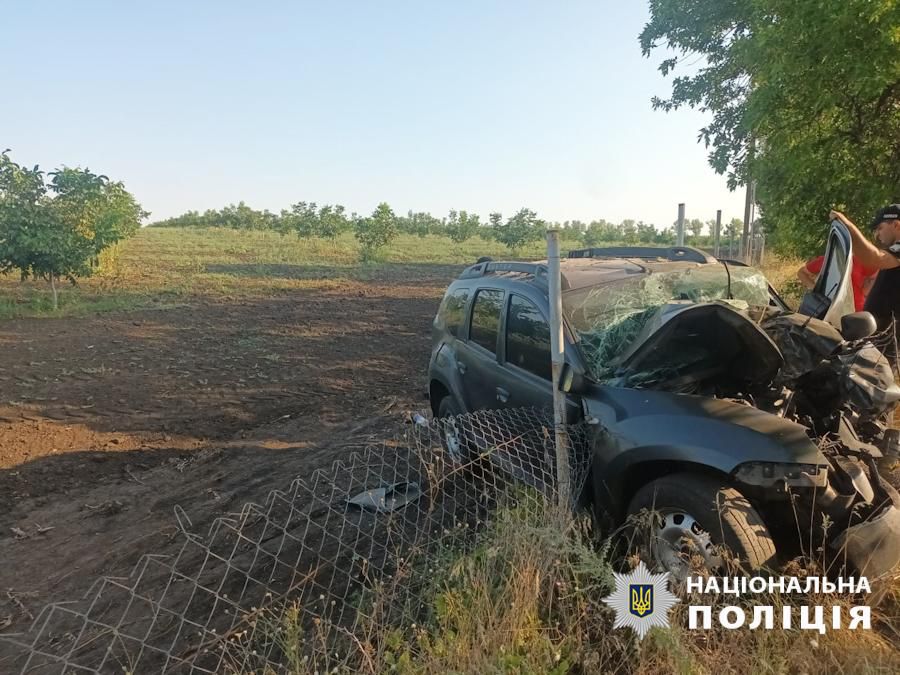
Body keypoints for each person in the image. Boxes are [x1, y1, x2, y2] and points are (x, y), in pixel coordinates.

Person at [829, 204, 900, 334]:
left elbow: (874, 257)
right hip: (880, 336)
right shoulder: (893, 253)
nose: (877, 235)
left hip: (890, 341)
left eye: (880, 228)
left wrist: (847, 226)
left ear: (896, 225)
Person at [796, 254, 877, 311]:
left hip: (861, 313)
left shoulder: (856, 260)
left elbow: (874, 279)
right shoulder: (827, 260)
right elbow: (801, 273)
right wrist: (816, 288)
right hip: (837, 313)